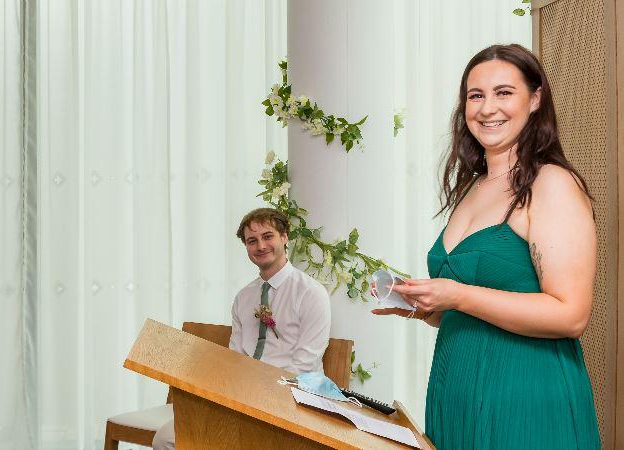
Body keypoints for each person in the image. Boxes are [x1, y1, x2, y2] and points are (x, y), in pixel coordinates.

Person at [372, 44, 600, 449]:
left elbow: (571, 315)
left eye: (504, 92)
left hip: (524, 395)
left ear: (535, 99)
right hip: (455, 389)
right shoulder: (474, 186)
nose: (487, 107)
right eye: (475, 96)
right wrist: (428, 308)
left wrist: (457, 294)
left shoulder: (552, 183)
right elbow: (478, 309)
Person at [153, 207, 331, 450]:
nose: (260, 246)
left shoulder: (311, 293)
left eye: (268, 236)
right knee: (166, 439)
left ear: (285, 237)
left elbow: (305, 365)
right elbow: (235, 356)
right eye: (252, 241)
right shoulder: (244, 297)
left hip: (294, 398)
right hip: (244, 394)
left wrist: (259, 395)